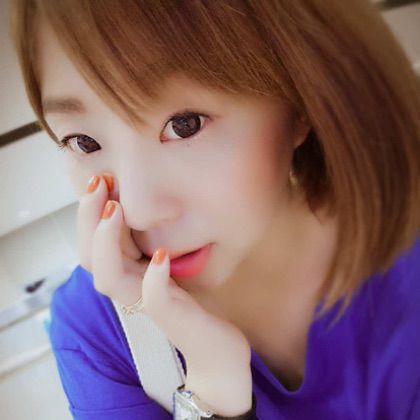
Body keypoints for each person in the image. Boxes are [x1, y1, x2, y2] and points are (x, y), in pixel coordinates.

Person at [10, 0, 420, 419]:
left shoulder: (408, 242)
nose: (139, 212)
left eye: (185, 124)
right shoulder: (95, 330)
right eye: (84, 142)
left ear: (298, 102)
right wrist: (210, 392)